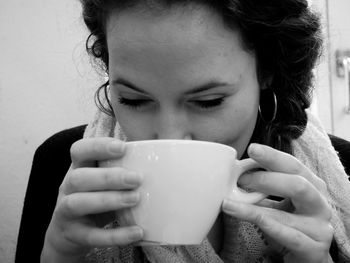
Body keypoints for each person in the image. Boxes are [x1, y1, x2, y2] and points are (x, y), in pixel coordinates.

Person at [19, 0, 350, 262]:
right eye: (133, 99)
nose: (169, 136)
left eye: (208, 101)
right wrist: (57, 257)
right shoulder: (64, 168)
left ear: (267, 73)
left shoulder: (339, 175)